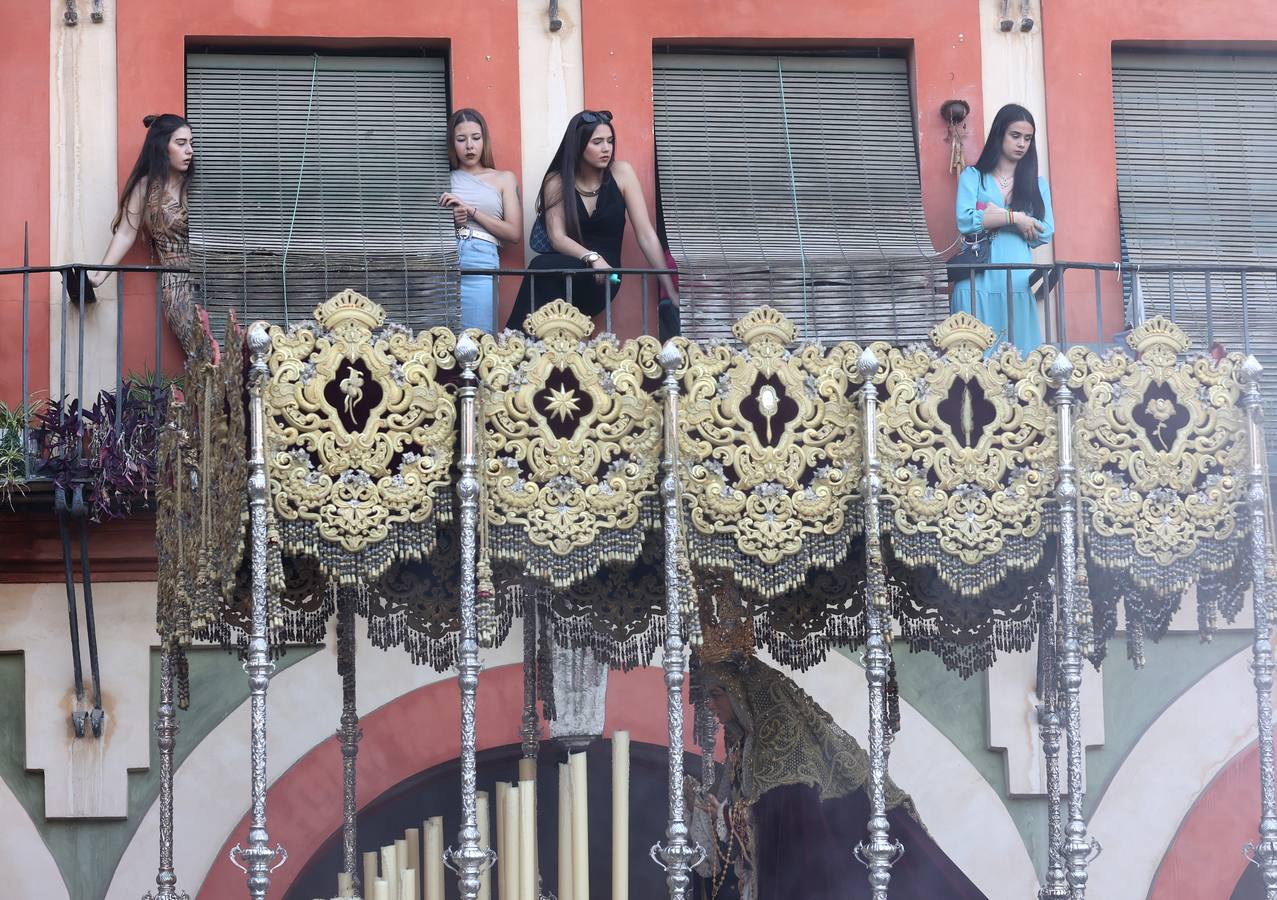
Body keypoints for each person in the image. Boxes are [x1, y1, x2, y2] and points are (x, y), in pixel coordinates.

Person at [688, 653, 987, 900]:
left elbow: (788, 819)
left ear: (740, 694)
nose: (710, 705)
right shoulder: (746, 746)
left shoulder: (779, 742)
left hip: (824, 877)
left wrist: (727, 814)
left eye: (716, 695)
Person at [505, 110, 681, 339]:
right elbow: (557, 238)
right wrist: (592, 257)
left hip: (605, 278)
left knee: (542, 269)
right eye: (597, 142)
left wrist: (669, 288)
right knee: (542, 266)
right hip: (573, 267)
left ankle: (513, 341)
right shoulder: (556, 181)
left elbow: (646, 235)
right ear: (578, 145)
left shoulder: (622, 173)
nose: (606, 148)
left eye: (610, 141)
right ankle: (520, 344)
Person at [92, 114, 215, 362]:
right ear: (162, 147)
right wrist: (99, 275)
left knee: (240, 356)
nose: (189, 150)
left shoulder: (200, 184)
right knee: (206, 359)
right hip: (178, 285)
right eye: (181, 143)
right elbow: (126, 233)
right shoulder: (146, 188)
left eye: (191, 143)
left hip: (216, 279)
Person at [951, 103, 1054, 352]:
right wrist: (1017, 218)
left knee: (1020, 362)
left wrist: (994, 215)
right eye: (1015, 135)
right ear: (1000, 134)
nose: (1021, 144)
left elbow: (1046, 230)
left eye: (1027, 138)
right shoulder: (973, 176)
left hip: (1016, 281)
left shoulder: (1036, 185)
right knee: (971, 364)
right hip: (976, 280)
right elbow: (965, 220)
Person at [438, 108, 522, 332]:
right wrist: (453, 221)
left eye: (476, 138)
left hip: (481, 256)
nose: (469, 146)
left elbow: (514, 233)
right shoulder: (442, 178)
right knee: (437, 342)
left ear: (484, 140)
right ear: (452, 143)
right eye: (461, 139)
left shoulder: (503, 178)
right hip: (443, 256)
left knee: (479, 339)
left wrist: (471, 211)